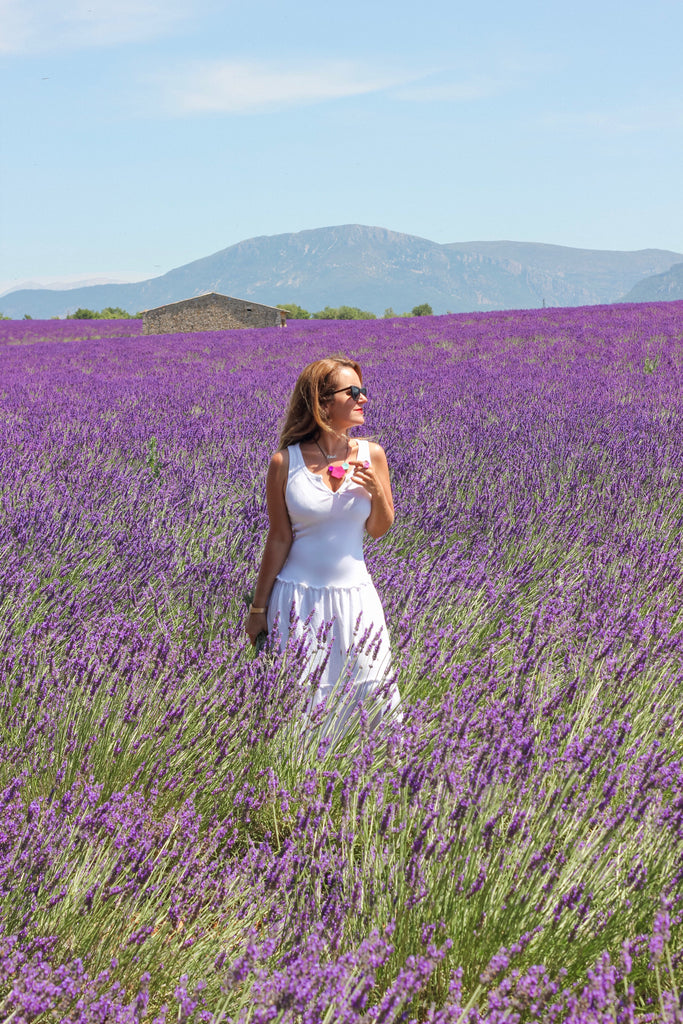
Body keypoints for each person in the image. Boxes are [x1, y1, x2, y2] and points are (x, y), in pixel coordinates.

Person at [246, 356, 400, 737]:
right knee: (302, 709)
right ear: (323, 402)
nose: (364, 398)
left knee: (373, 699)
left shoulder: (372, 455)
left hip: (357, 601)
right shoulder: (284, 463)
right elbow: (279, 538)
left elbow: (379, 529)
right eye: (354, 392)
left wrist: (376, 491)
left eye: (363, 390)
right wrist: (259, 608)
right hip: (298, 603)